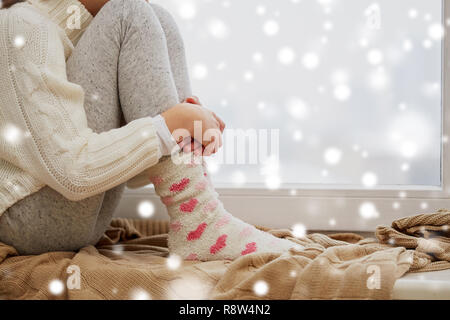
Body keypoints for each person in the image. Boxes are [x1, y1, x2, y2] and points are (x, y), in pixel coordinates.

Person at [0, 0, 301, 259]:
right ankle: (199, 222)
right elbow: (74, 175)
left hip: (81, 218)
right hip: (30, 222)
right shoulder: (21, 26)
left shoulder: (91, 32)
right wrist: (165, 127)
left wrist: (178, 133)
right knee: (130, 13)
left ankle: (199, 214)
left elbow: (131, 176)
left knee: (155, 18)